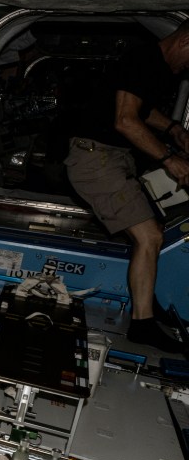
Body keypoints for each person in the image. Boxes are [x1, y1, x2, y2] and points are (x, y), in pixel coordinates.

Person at [64, 20, 189, 353]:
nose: (187, 68)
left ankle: (145, 304)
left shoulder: (153, 66)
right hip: (96, 160)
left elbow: (142, 111)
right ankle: (142, 325)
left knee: (151, 231)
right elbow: (125, 120)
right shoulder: (144, 60)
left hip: (110, 158)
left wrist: (174, 128)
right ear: (185, 41)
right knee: (149, 236)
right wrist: (169, 159)